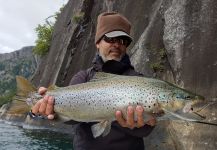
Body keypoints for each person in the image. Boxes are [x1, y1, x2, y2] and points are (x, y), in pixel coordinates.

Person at [30, 12, 156, 150]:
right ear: (97, 43)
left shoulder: (140, 81)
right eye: (110, 39)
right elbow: (71, 118)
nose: (117, 45)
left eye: (122, 41)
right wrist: (50, 111)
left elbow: (146, 130)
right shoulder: (83, 77)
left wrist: (139, 124)